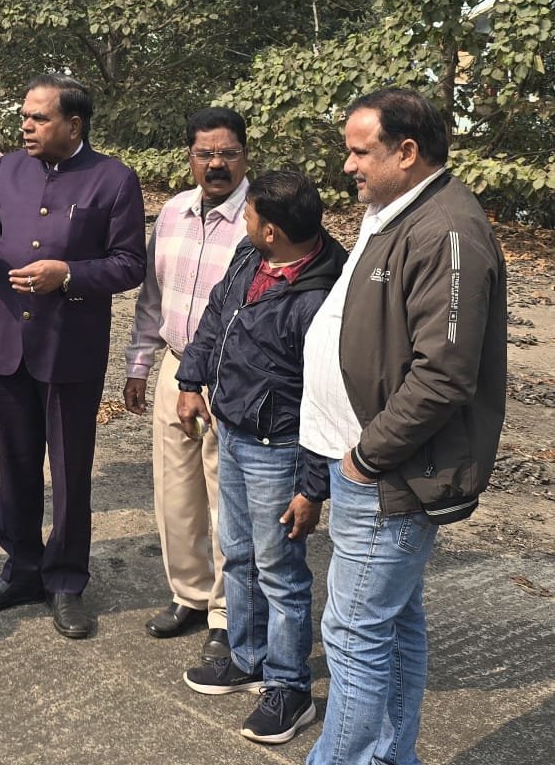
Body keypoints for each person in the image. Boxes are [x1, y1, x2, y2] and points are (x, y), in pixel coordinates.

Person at [301, 89, 506, 765]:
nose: (348, 165)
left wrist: (366, 457)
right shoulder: (394, 212)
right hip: (369, 465)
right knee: (391, 624)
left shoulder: (447, 230)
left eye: (361, 151)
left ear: (407, 151)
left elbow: (444, 374)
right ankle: (390, 756)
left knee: (355, 633)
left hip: (391, 474)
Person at [0, 74, 146, 639]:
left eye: (39, 118)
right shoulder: (6, 170)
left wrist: (68, 275)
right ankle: (20, 569)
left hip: (70, 347)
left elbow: (129, 264)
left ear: (74, 125)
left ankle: (65, 579)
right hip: (10, 341)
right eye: (24, 116)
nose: (26, 126)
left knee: (69, 470)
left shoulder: (114, 179)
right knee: (15, 465)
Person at [173, 171, 347, 745]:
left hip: (279, 449)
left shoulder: (321, 297)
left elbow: (326, 399)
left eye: (248, 216)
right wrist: (190, 379)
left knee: (280, 571)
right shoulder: (252, 258)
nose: (242, 222)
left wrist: (312, 486)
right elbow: (215, 317)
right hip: (233, 430)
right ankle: (247, 658)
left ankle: (290, 688)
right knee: (239, 553)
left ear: (271, 229)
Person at [123, 107, 251, 660]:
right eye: (205, 154)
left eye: (228, 153)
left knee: (227, 501)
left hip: (234, 378)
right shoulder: (173, 212)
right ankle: (190, 595)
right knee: (175, 494)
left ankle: (226, 611)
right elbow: (152, 297)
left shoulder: (260, 220)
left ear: (245, 156)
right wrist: (139, 364)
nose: (216, 164)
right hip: (176, 371)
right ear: (190, 157)